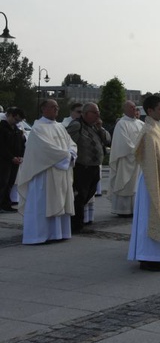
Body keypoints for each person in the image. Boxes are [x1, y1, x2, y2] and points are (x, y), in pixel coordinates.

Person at [127, 95, 160, 271]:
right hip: (152, 182)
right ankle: (148, 257)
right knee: (150, 217)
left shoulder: (158, 128)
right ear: (150, 111)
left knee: (159, 216)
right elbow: (152, 160)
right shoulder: (148, 131)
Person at [16, 100, 77, 244]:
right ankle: (39, 235)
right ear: (43, 109)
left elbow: (72, 144)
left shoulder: (60, 127)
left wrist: (71, 153)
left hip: (61, 173)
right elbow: (45, 149)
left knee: (59, 200)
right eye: (52, 107)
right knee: (43, 203)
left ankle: (58, 233)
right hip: (45, 173)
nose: (56, 109)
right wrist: (66, 156)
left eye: (57, 107)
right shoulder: (38, 128)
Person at [66, 102, 111, 233]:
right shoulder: (76, 125)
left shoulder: (95, 127)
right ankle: (76, 225)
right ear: (86, 114)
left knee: (88, 194)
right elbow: (67, 143)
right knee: (80, 196)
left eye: (98, 112)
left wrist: (100, 128)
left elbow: (108, 140)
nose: (98, 115)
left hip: (94, 167)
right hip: (82, 167)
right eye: (95, 112)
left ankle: (77, 221)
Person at [109, 101, 144, 216]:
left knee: (137, 185)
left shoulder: (140, 124)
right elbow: (123, 142)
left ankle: (137, 208)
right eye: (131, 107)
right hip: (127, 159)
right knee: (126, 183)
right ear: (125, 109)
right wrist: (136, 151)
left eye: (135, 107)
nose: (134, 109)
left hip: (139, 160)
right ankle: (123, 210)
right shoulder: (121, 124)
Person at [0, 107, 26, 212]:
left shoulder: (17, 130)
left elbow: (21, 144)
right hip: (4, 161)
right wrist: (11, 157)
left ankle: (6, 204)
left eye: (19, 121)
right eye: (16, 119)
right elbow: (2, 146)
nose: (17, 122)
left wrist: (20, 156)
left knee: (10, 183)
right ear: (10, 115)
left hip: (14, 161)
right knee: (2, 182)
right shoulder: (2, 128)